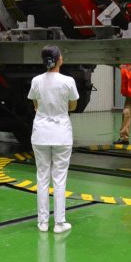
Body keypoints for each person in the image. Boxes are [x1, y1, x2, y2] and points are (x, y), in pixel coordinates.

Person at [28, 45, 79, 234]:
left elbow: (35, 104)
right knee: (59, 179)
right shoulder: (68, 81)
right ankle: (59, 223)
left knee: (42, 177)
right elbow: (73, 106)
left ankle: (42, 222)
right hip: (61, 134)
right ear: (59, 60)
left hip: (40, 133)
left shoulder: (36, 81)